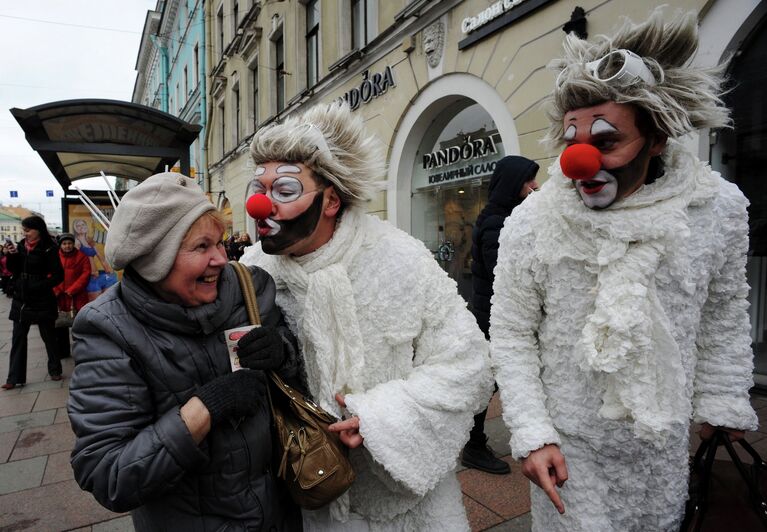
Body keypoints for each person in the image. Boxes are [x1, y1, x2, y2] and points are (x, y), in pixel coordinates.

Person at [490, 9, 758, 531]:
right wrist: (532, 432)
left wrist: (721, 397)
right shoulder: (533, 221)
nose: (579, 161)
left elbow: (723, 311)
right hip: (569, 447)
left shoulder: (717, 209)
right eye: (571, 142)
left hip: (661, 440)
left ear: (656, 139)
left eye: (606, 141)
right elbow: (512, 332)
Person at [240, 102, 492, 531]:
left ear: (332, 200)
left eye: (284, 190)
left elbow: (469, 363)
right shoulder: (251, 276)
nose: (261, 207)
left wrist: (379, 419)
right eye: (258, 189)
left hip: (404, 505)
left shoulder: (398, 257)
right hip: (303, 500)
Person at [67, 172, 302, 531]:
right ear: (154, 259)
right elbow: (108, 473)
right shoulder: (108, 329)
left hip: (280, 517)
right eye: (201, 247)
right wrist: (204, 409)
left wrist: (282, 353)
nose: (221, 259)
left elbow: (297, 374)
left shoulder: (248, 287)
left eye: (220, 243)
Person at [462, 155, 539, 475]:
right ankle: (473, 445)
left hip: (495, 314)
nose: (535, 187)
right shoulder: (498, 222)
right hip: (494, 317)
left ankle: (473, 441)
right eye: (528, 181)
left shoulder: (505, 215)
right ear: (512, 184)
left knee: (489, 382)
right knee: (487, 383)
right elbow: (502, 274)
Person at [3, 216, 64, 388]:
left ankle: (55, 370)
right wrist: (11, 256)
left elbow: (59, 275)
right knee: (18, 338)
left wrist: (40, 285)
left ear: (38, 229)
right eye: (24, 230)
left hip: (42, 298)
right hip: (21, 298)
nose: (25, 233)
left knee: (49, 337)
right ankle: (13, 378)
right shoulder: (21, 245)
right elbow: (13, 269)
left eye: (28, 230)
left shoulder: (49, 248)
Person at [53, 233, 90, 359]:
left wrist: (72, 289)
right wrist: (56, 289)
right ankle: (63, 352)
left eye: (69, 243)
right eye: (64, 244)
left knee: (78, 325)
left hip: (77, 296)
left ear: (73, 244)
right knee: (60, 325)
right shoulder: (54, 257)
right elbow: (49, 273)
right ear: (61, 245)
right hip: (60, 297)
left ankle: (81, 351)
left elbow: (86, 274)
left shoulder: (82, 257)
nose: (67, 246)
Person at [72, 218, 117, 301]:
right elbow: (75, 261)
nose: (81, 227)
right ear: (74, 229)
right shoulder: (76, 242)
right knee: (95, 304)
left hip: (96, 275)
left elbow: (101, 258)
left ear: (86, 226)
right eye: (78, 226)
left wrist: (108, 270)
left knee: (107, 300)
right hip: (88, 277)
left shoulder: (89, 240)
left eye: (83, 224)